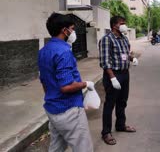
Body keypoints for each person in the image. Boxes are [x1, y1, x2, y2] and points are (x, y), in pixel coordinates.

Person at [38, 13, 94, 152]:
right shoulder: (64, 52)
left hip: (52, 108)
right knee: (83, 148)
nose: (73, 32)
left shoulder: (43, 51)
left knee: (56, 147)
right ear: (65, 30)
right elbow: (66, 86)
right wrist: (86, 84)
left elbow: (44, 81)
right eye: (72, 28)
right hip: (68, 110)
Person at [99, 16, 138, 145]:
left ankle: (121, 125)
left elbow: (126, 54)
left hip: (125, 74)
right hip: (113, 75)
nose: (124, 25)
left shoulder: (124, 39)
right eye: (122, 23)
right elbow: (105, 62)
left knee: (122, 101)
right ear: (114, 25)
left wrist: (132, 58)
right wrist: (113, 78)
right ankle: (106, 132)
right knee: (110, 103)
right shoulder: (106, 40)